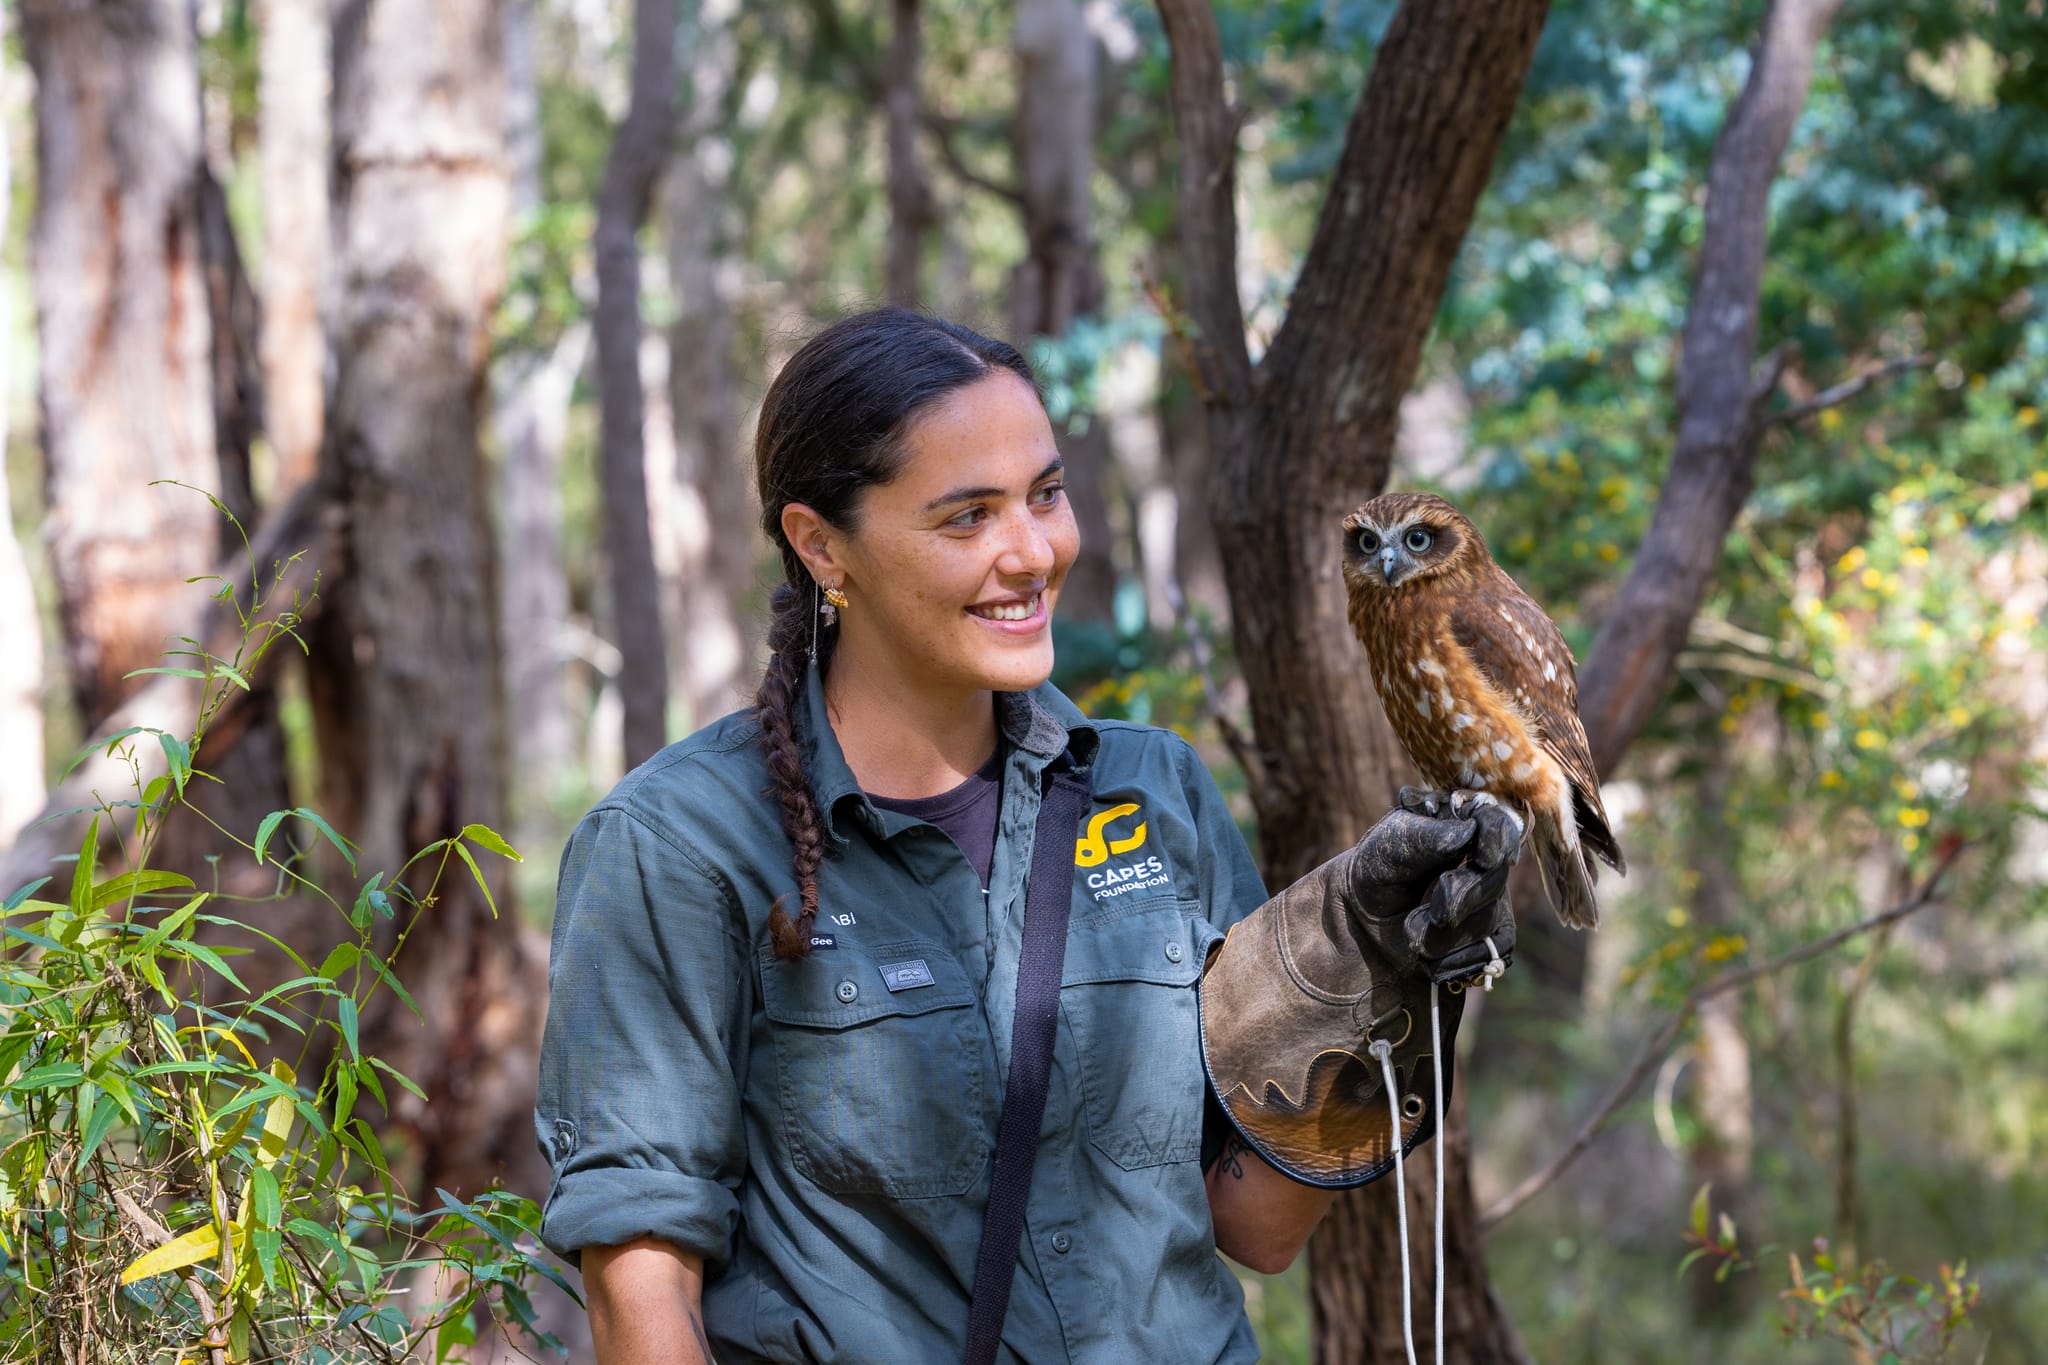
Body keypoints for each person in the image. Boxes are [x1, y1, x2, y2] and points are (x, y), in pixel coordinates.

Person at [534, 308, 1518, 1363]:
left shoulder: (1152, 791)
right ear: (821, 545)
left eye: (1045, 495)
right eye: (966, 518)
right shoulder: (679, 842)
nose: (1032, 552)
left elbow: (1255, 1224)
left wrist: (1384, 975)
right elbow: (642, 1287)